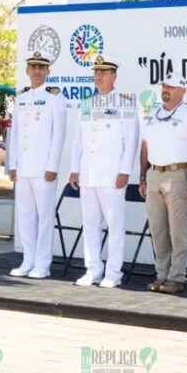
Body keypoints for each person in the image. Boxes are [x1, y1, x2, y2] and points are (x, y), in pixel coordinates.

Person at [69, 55, 139, 288]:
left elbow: (131, 141)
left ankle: (114, 271)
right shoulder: (87, 103)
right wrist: (74, 169)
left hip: (112, 176)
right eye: (96, 72)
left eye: (104, 72)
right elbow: (78, 141)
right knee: (90, 224)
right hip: (88, 174)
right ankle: (93, 269)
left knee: (115, 225)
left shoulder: (125, 103)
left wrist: (125, 171)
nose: (98, 76)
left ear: (114, 76)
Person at [139, 72, 187, 294]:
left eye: (171, 86)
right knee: (157, 228)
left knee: (178, 230)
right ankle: (162, 274)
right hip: (154, 174)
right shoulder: (152, 114)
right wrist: (142, 176)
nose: (165, 90)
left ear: (183, 91)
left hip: (179, 175)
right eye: (164, 86)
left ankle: (177, 276)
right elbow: (145, 147)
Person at [6, 51, 67, 278]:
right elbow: (16, 134)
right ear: (27, 70)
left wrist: (52, 165)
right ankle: (28, 259)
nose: (37, 71)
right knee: (26, 216)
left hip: (43, 169)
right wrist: (13, 164)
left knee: (44, 217)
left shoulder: (55, 97)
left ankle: (42, 263)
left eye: (41, 67)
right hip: (23, 169)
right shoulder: (21, 97)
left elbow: (58, 134)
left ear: (48, 71)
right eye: (33, 67)